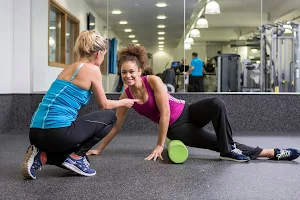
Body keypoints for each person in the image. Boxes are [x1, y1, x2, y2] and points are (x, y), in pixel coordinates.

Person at [87, 44, 300, 163]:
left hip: (187, 111)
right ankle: (273, 153)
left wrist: (160, 145)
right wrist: (99, 148)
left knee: (216, 103)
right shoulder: (126, 97)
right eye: (124, 72)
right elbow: (117, 126)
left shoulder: (153, 81)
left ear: (140, 70)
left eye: (131, 71)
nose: (127, 75)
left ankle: (229, 150)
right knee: (219, 143)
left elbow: (167, 111)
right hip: (178, 129)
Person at [20, 30, 138, 180]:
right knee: (109, 117)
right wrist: (124, 102)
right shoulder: (92, 69)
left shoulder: (69, 68)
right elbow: (104, 105)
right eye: (104, 55)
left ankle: (42, 157)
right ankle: (76, 157)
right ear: (98, 53)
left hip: (35, 132)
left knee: (84, 161)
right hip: (57, 133)